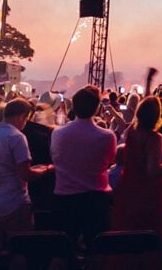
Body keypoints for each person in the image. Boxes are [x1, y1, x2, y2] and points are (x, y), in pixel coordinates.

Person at [0, 98, 52, 269]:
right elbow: (26, 174)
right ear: (22, 116)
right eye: (26, 119)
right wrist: (46, 169)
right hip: (14, 205)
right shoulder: (17, 137)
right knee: (20, 253)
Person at [111, 96, 162, 240]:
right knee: (148, 236)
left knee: (127, 234)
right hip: (148, 192)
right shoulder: (155, 138)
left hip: (128, 187)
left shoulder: (131, 133)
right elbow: (153, 171)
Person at [51, 85, 117, 248]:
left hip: (65, 198)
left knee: (63, 249)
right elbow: (110, 160)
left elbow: (55, 157)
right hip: (96, 198)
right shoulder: (107, 136)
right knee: (97, 249)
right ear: (96, 108)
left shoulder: (58, 133)